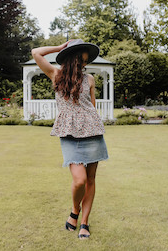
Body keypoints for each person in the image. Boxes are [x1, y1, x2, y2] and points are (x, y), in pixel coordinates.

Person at [31, 39, 109, 239]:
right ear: (73, 59)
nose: (84, 65)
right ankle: (75, 210)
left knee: (90, 180)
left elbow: (90, 106)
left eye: (86, 63)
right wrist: (58, 48)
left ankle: (84, 222)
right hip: (68, 133)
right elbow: (36, 53)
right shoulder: (56, 74)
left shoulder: (90, 79)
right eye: (82, 61)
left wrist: (95, 123)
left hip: (92, 131)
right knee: (79, 180)